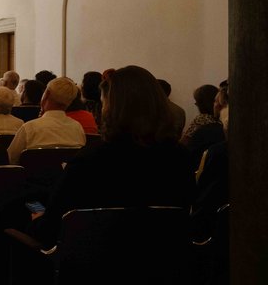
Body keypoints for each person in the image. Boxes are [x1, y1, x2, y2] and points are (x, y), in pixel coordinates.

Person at [29, 65, 194, 248]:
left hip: (95, 265)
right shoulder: (181, 158)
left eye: (104, 102)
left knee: (27, 204)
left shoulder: (90, 161)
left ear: (112, 108)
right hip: (165, 262)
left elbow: (50, 231)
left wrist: (38, 215)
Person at [6, 77, 86, 165]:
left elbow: (10, 159)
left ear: (46, 94)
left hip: (33, 178)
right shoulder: (78, 128)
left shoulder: (29, 128)